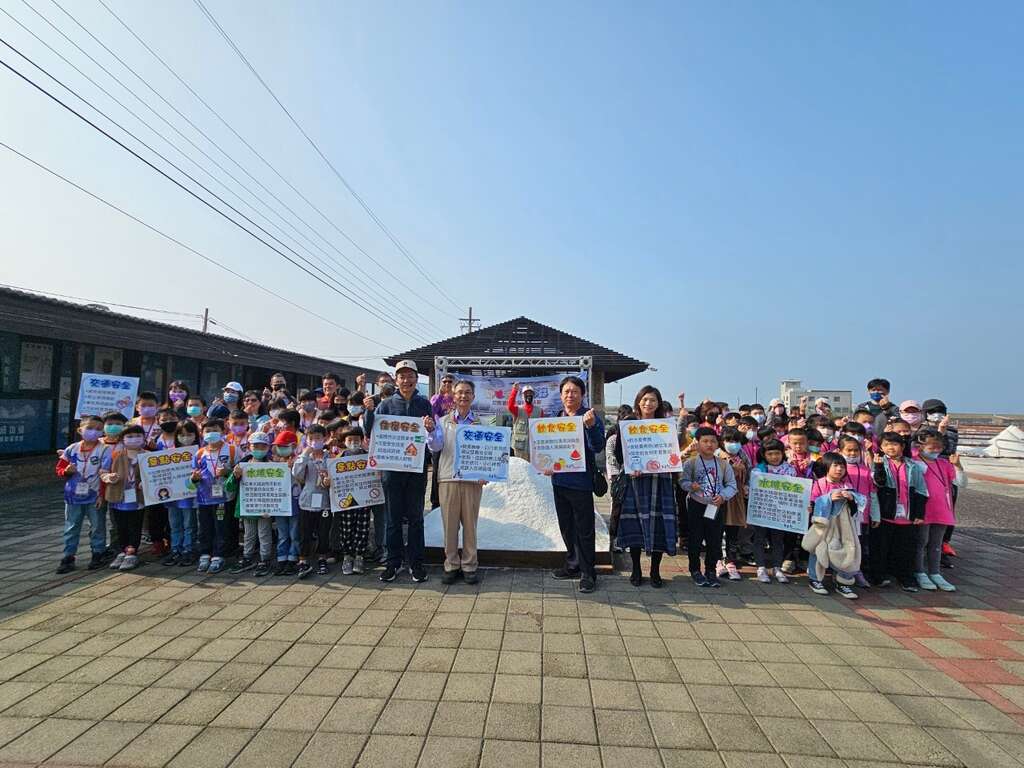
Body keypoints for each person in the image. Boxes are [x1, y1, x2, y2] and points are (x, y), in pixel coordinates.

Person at [364, 360, 435, 583]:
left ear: (416, 379)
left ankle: (416, 563)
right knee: (393, 519)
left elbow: (431, 434)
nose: (406, 380)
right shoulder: (385, 405)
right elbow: (369, 431)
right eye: (402, 376)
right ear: (396, 380)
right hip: (391, 470)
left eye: (410, 376)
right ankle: (393, 563)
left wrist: (431, 427)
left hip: (416, 469)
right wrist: (368, 412)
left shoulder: (424, 404)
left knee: (416, 518)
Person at [543, 376, 604, 593]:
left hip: (581, 483)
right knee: (567, 527)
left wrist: (591, 427)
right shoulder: (556, 418)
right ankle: (573, 564)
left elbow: (597, 447)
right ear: (561, 396)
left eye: (575, 391)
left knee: (584, 530)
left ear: (582, 395)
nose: (570, 395)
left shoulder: (589, 416)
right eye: (566, 392)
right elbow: (548, 449)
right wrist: (546, 464)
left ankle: (588, 573)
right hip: (559, 482)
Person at [614, 386, 677, 588]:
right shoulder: (628, 423)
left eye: (653, 400)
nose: (648, 403)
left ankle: (655, 571)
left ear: (658, 403)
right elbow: (619, 453)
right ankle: (636, 569)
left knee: (659, 524)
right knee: (634, 525)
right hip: (636, 480)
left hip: (660, 480)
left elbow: (671, 452)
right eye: (645, 399)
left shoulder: (665, 425)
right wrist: (630, 466)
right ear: (638, 402)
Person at [428, 379, 488, 585]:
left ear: (473, 396)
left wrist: (486, 472)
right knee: (450, 525)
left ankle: (470, 565)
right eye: (460, 392)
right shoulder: (443, 421)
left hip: (472, 480)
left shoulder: (481, 424)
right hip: (448, 478)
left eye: (467, 392)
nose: (463, 396)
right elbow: (435, 447)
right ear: (453, 396)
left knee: (470, 525)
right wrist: (430, 432)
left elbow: (487, 452)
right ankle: (451, 564)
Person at [869, 431, 928, 591]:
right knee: (881, 547)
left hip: (907, 516)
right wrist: (879, 467)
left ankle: (906, 577)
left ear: (902, 446)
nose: (891, 447)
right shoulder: (878, 463)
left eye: (894, 444)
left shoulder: (912, 466)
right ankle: (879, 576)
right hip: (886, 514)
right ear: (881, 447)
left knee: (905, 549)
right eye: (886, 445)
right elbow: (878, 483)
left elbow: (921, 490)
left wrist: (919, 513)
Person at [679, 427, 737, 587]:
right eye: (705, 441)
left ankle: (711, 571)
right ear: (697, 443)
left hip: (715, 506)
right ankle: (695, 570)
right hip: (696, 504)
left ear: (718, 444)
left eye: (713, 441)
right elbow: (682, 481)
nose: (709, 444)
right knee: (695, 539)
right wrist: (691, 486)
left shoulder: (723, 464)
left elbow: (732, 485)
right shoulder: (691, 463)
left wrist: (723, 496)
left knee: (714, 539)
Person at [55, 415, 112, 573]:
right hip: (73, 496)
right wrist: (66, 471)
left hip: (95, 496)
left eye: (98, 429)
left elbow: (105, 473)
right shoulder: (71, 449)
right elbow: (59, 468)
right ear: (80, 430)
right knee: (71, 526)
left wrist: (102, 495)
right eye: (90, 428)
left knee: (97, 526)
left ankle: (98, 553)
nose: (94, 432)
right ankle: (68, 556)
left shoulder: (105, 450)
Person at [913, 429, 964, 592]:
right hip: (923, 510)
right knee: (921, 542)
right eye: (932, 447)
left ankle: (935, 573)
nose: (936, 450)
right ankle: (919, 572)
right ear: (921, 446)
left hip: (942, 510)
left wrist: (958, 466)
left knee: (936, 544)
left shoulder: (944, 464)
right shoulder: (914, 461)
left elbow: (961, 483)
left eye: (939, 447)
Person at [804, 453, 862, 598]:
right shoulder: (818, 484)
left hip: (843, 527)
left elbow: (856, 509)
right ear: (826, 467)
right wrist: (828, 498)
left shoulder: (847, 486)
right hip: (824, 526)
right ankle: (815, 579)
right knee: (818, 549)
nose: (839, 469)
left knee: (845, 550)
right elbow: (812, 503)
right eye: (835, 466)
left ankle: (843, 582)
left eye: (842, 466)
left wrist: (851, 499)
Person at [191, 419, 237, 574]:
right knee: (204, 527)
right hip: (204, 498)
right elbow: (193, 477)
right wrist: (194, 478)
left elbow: (241, 470)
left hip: (223, 498)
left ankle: (219, 555)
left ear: (223, 431)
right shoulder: (199, 453)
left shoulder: (232, 450)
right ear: (202, 434)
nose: (211, 433)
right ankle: (205, 553)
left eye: (215, 430)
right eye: (207, 431)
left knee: (221, 526)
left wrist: (227, 472)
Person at [101, 424, 148, 571]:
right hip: (118, 497)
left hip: (138, 498)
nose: (134, 439)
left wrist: (147, 483)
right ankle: (122, 551)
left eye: (138, 436)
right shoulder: (115, 454)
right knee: (120, 526)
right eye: (129, 436)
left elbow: (155, 476)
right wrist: (108, 477)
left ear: (144, 438)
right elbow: (103, 471)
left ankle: (132, 551)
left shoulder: (148, 455)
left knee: (135, 525)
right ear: (122, 439)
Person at [228, 432, 275, 576]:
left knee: (264, 534)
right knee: (249, 534)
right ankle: (247, 557)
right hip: (248, 507)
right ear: (249, 446)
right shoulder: (242, 465)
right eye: (256, 446)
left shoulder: (273, 465)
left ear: (268, 447)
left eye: (263, 446)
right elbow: (229, 486)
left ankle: (265, 559)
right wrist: (235, 476)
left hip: (265, 507)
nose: (259, 449)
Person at [751, 439, 795, 583]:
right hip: (762, 510)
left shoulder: (790, 469)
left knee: (778, 539)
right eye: (770, 454)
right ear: (764, 455)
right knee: (759, 538)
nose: (774, 457)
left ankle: (777, 567)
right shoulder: (758, 470)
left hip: (780, 511)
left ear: (783, 453)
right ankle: (761, 567)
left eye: (777, 453)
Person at [293, 424, 333, 578]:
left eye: (318, 438)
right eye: (311, 438)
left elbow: (336, 476)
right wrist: (304, 454)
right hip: (307, 501)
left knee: (323, 532)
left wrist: (329, 480)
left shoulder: (329, 457)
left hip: (325, 502)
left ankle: (322, 558)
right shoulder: (305, 457)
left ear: (325, 438)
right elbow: (297, 474)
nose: (315, 441)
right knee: (305, 533)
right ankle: (303, 560)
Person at [337, 426, 375, 575]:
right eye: (350, 440)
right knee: (346, 528)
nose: (353, 442)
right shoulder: (339, 458)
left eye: (356, 439)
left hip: (364, 499)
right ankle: (347, 556)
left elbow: (374, 474)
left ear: (362, 440)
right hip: (346, 500)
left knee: (362, 527)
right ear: (344, 441)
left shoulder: (368, 456)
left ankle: (359, 556)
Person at [163, 420, 199, 567]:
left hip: (189, 495)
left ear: (195, 435)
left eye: (189, 434)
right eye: (182, 435)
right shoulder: (169, 452)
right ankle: (175, 549)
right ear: (176, 436)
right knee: (175, 524)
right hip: (172, 496)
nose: (185, 438)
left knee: (189, 524)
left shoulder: (199, 452)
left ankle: (188, 549)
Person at [717, 426, 749, 581]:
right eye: (728, 440)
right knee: (716, 530)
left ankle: (730, 561)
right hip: (718, 499)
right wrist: (731, 470)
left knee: (733, 531)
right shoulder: (716, 455)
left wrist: (746, 485)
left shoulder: (743, 457)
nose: (733, 444)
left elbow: (749, 475)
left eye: (736, 440)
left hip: (736, 500)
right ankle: (716, 560)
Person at [605, 404, 634, 550]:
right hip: (619, 478)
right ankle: (614, 539)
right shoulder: (613, 437)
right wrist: (615, 477)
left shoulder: (637, 437)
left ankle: (629, 539)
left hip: (634, 478)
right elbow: (610, 458)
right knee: (616, 509)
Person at [429, 373, 457, 510]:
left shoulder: (458, 398)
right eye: (444, 382)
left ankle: (451, 499)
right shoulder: (436, 398)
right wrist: (440, 395)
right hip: (439, 438)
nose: (447, 384)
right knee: (437, 470)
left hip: (454, 439)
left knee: (453, 469)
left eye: (450, 382)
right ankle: (436, 501)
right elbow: (431, 411)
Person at [507, 382, 545, 461]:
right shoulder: (517, 409)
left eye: (530, 393)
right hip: (519, 448)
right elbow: (510, 406)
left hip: (534, 448)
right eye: (526, 394)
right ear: (522, 396)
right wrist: (514, 390)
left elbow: (542, 429)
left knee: (532, 467)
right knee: (520, 467)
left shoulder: (539, 411)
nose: (528, 395)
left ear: (533, 396)